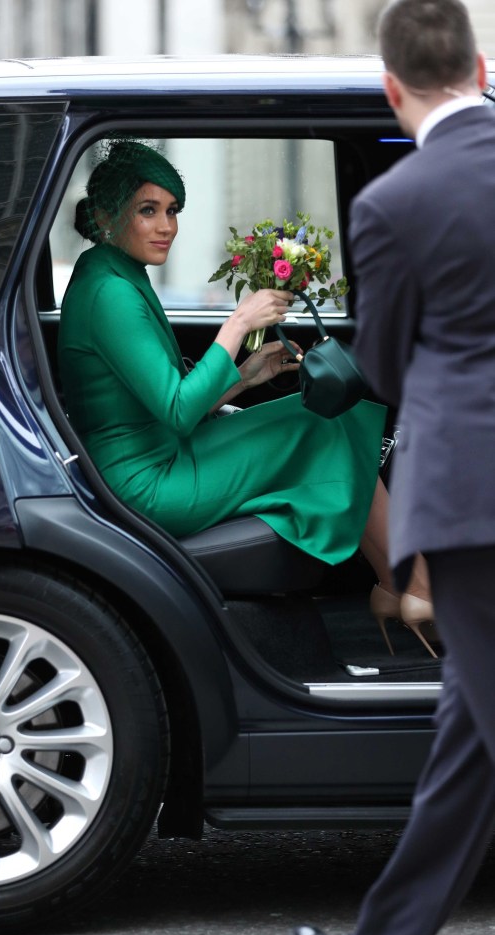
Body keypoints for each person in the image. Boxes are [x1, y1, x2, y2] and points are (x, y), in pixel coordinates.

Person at [293, 1, 495, 935]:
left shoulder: (391, 206)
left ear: (391, 86)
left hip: (472, 502)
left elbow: (379, 364)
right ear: (483, 66)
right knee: (471, 735)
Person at [58, 138, 431, 647]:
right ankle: (414, 588)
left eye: (172, 210)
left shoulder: (115, 273)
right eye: (148, 211)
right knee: (326, 423)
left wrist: (247, 374)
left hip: (161, 453)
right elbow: (177, 408)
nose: (167, 226)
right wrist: (239, 322)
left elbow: (164, 402)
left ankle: (402, 585)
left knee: (326, 417)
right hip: (148, 482)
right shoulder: (109, 292)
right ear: (106, 214)